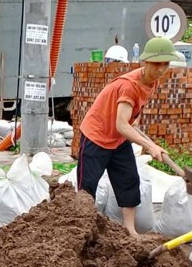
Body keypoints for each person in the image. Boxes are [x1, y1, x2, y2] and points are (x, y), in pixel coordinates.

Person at [77, 36, 182, 235]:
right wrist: (149, 146)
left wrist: (142, 136)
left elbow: (128, 119)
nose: (161, 69)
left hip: (117, 138)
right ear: (145, 62)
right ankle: (83, 230)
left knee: (129, 179)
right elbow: (121, 125)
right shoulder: (129, 85)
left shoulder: (152, 83)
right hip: (96, 136)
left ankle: (129, 228)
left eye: (165, 64)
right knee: (87, 187)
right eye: (156, 64)